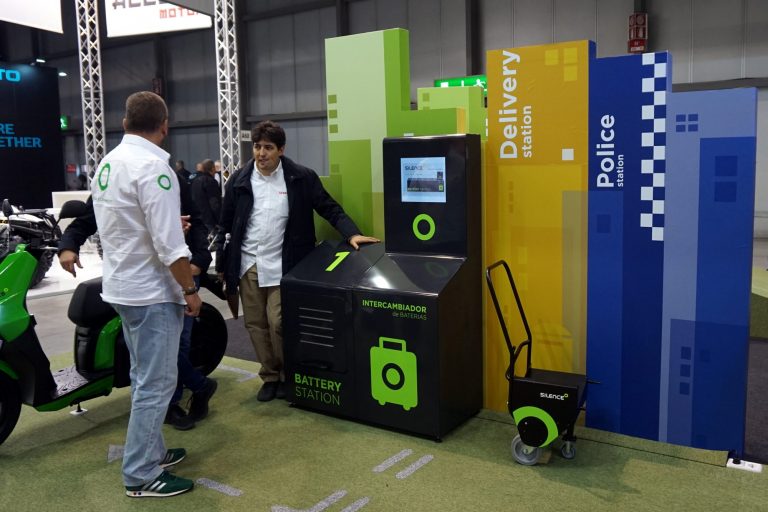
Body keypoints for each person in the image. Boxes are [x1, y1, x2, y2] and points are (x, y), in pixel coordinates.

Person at [216, 120, 379, 402]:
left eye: (268, 147)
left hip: (285, 264)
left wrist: (352, 233)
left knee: (279, 322)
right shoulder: (240, 180)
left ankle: (287, 374)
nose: (261, 153)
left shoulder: (301, 178)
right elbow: (225, 223)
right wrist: (221, 262)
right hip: (248, 264)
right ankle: (270, 376)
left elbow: (329, 207)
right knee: (255, 324)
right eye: (257, 147)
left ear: (281, 149)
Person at [90, 91, 200, 498]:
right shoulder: (155, 168)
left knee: (143, 377)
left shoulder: (108, 163)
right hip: (151, 291)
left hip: (122, 285)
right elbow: (170, 247)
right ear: (164, 126)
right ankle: (139, 473)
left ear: (125, 123)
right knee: (157, 383)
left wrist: (169, 224)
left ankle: (152, 453)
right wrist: (189, 289)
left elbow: (127, 224)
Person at [59, 176, 218, 432]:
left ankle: (174, 401)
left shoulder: (167, 177)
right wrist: (68, 244)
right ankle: (196, 388)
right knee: (152, 352)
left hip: (181, 272)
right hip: (140, 282)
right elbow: (87, 220)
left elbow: (196, 221)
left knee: (176, 345)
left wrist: (199, 261)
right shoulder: (111, 177)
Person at [190, 158, 221, 237]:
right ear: (213, 168)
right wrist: (219, 219)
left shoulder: (195, 181)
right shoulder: (211, 182)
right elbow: (214, 203)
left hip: (197, 219)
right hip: (209, 220)